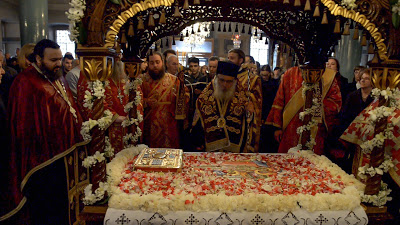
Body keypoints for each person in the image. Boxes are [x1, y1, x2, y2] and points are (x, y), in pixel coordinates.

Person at [1, 39, 83, 224]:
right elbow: (22, 124)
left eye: (60, 59)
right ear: (38, 59)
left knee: (62, 202)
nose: (59, 64)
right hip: (40, 159)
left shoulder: (57, 76)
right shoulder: (25, 82)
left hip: (63, 153)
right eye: (53, 60)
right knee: (45, 207)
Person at [266, 66, 342, 154]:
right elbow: (279, 100)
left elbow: (335, 102)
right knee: (288, 162)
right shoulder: (290, 73)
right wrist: (277, 127)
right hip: (291, 128)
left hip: (316, 128)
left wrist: (317, 106)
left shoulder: (328, 75)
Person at [192, 61, 257, 152]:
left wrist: (250, 113)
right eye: (222, 80)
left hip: (234, 150)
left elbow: (248, 124)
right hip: (210, 150)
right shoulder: (204, 98)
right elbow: (197, 125)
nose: (225, 85)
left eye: (229, 81)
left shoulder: (243, 99)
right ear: (216, 78)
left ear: (235, 81)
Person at [326, 69, 374, 172]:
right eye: (361, 78)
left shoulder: (375, 97)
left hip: (367, 133)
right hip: (351, 131)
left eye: (366, 79)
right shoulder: (352, 95)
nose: (363, 81)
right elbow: (344, 114)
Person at [140, 52, 186, 148]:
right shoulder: (141, 80)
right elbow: (133, 100)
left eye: (157, 62)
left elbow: (185, 98)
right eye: (152, 63)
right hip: (148, 126)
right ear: (148, 63)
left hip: (168, 127)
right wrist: (145, 101)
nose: (155, 66)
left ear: (163, 62)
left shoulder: (174, 80)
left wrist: (180, 96)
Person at [228, 49, 262, 152]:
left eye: (232, 58)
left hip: (244, 119)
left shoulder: (252, 78)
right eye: (228, 58)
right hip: (228, 118)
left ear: (240, 60)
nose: (229, 60)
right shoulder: (227, 76)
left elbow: (258, 100)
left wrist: (248, 99)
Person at [104, 61, 131, 153]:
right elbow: (100, 102)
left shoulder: (126, 82)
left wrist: (131, 115)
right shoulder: (104, 83)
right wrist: (115, 117)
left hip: (128, 125)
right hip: (112, 126)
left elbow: (137, 100)